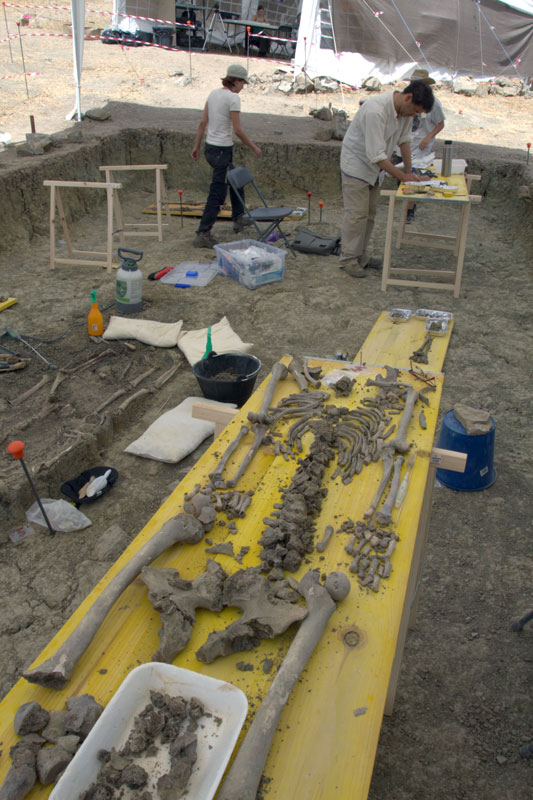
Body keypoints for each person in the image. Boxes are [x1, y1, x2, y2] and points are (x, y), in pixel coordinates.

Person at [339, 80, 434, 278]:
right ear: (408, 97)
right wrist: (403, 177)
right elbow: (377, 155)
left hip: (375, 170)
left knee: (370, 214)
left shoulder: (405, 112)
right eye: (414, 111)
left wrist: (410, 173)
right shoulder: (376, 110)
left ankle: (361, 256)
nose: (413, 116)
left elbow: (405, 140)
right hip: (357, 165)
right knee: (357, 214)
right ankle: (348, 259)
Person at [190, 64, 262, 249]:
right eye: (242, 83)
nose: (243, 87)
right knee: (218, 192)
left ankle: (238, 218)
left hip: (211, 148)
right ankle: (203, 233)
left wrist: (197, 145)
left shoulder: (213, 94)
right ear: (235, 81)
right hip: (222, 149)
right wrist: (254, 147)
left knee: (236, 180)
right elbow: (237, 130)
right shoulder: (233, 99)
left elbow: (203, 122)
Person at [401, 68, 445, 223]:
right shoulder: (406, 100)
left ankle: (409, 210)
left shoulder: (434, 105)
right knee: (404, 174)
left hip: (421, 146)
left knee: (414, 175)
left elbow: (441, 124)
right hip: (406, 142)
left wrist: (428, 137)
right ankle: (406, 203)